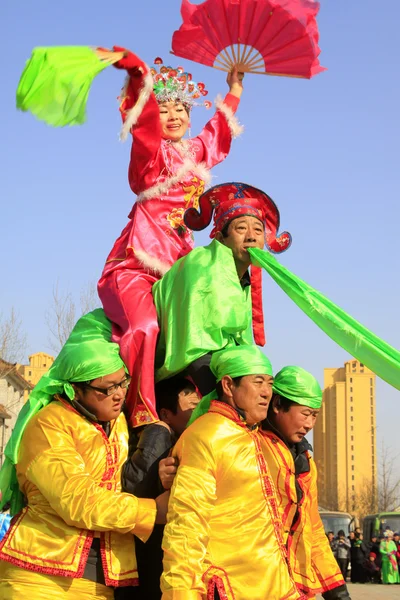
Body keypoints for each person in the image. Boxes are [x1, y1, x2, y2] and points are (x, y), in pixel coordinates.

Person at [98, 48, 244, 427]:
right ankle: (139, 413)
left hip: (178, 265)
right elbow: (143, 130)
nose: (174, 115)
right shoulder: (152, 157)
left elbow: (218, 133)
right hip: (137, 264)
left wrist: (235, 88)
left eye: (181, 108)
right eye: (164, 109)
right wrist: (136, 76)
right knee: (146, 327)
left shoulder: (195, 152)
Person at [0, 309, 169, 599]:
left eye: (122, 382)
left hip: (100, 582)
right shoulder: (48, 425)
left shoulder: (116, 424)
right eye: (107, 388)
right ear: (75, 391)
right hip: (39, 577)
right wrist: (153, 511)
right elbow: (78, 501)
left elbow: (123, 481)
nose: (119, 393)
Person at [161, 345, 303, 600]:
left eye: (270, 384)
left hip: (277, 587)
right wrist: (180, 593)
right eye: (257, 382)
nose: (266, 393)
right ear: (228, 386)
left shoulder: (262, 439)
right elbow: (186, 526)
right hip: (230, 587)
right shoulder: (206, 436)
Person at [153, 181, 291, 393]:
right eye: (241, 228)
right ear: (220, 237)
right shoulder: (200, 264)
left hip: (212, 362)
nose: (252, 237)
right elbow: (196, 342)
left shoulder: (241, 279)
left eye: (258, 230)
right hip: (183, 357)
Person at [260, 366, 350, 599]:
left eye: (315, 415)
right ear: (277, 405)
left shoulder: (306, 461)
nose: (310, 424)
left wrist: (337, 592)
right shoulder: (249, 447)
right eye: (305, 413)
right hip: (252, 582)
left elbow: (313, 529)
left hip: (292, 586)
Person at [119, 376, 200, 600]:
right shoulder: (159, 433)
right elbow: (136, 485)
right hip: (151, 553)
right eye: (192, 407)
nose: (197, 413)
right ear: (165, 414)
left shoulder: (179, 437)